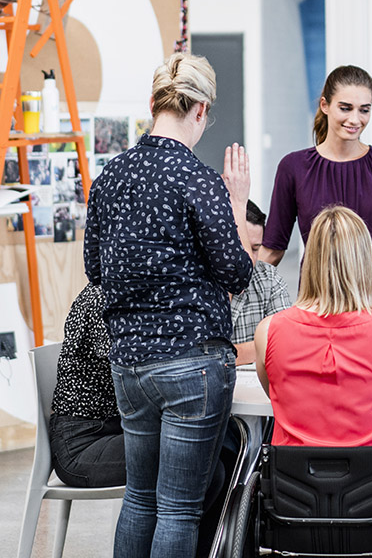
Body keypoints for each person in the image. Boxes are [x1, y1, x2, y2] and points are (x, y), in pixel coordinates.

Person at [84, 52, 253, 558]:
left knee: (139, 500)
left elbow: (96, 271)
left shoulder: (110, 177)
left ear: (153, 103)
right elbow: (238, 273)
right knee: (179, 507)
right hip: (192, 365)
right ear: (200, 110)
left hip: (129, 364)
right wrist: (238, 203)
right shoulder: (198, 179)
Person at [254, 206, 372, 451]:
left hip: (291, 481)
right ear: (364, 262)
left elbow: (275, 392)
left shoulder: (269, 330)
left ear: (310, 259)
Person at [261, 65, 372, 308]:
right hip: (318, 295)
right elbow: (273, 249)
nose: (355, 119)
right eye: (345, 108)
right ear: (325, 105)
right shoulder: (293, 167)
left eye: (364, 110)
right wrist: (239, 293)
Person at [50, 284, 125, 488]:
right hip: (81, 445)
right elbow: (130, 370)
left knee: (210, 460)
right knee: (187, 453)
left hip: (115, 430)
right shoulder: (104, 296)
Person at [231, 200, 292, 365]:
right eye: (242, 246)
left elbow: (286, 343)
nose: (250, 257)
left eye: (256, 249)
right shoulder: (196, 279)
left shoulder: (269, 278)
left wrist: (221, 356)